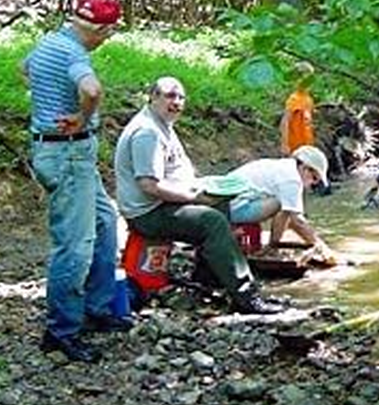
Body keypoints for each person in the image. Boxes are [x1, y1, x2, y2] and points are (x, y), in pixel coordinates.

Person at [114, 76, 282, 315]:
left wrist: (204, 187)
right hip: (147, 212)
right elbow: (149, 186)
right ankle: (246, 296)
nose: (177, 102)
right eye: (170, 96)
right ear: (153, 97)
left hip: (164, 202)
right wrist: (194, 197)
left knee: (222, 202)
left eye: (181, 97)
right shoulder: (147, 133)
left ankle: (209, 277)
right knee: (211, 221)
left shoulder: (162, 124)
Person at [23, 0, 128, 363]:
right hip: (66, 154)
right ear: (100, 29)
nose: (105, 41)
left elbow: (25, 70)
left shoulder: (49, 42)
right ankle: (61, 331)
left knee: (105, 221)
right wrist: (82, 117)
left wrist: (49, 102)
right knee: (75, 243)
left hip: (68, 152)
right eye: (107, 34)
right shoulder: (73, 53)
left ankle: (97, 309)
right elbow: (92, 89)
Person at [227, 145, 334, 257]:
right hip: (234, 208)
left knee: (287, 210)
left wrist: (312, 241)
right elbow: (297, 221)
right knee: (282, 205)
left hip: (228, 205)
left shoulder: (284, 167)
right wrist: (320, 246)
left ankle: (273, 246)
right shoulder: (292, 180)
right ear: (304, 168)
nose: (313, 184)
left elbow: (291, 220)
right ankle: (273, 247)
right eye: (314, 178)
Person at [280, 61, 316, 154]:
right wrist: (285, 144)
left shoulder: (308, 99)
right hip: (294, 146)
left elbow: (307, 123)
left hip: (307, 145)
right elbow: (285, 122)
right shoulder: (294, 98)